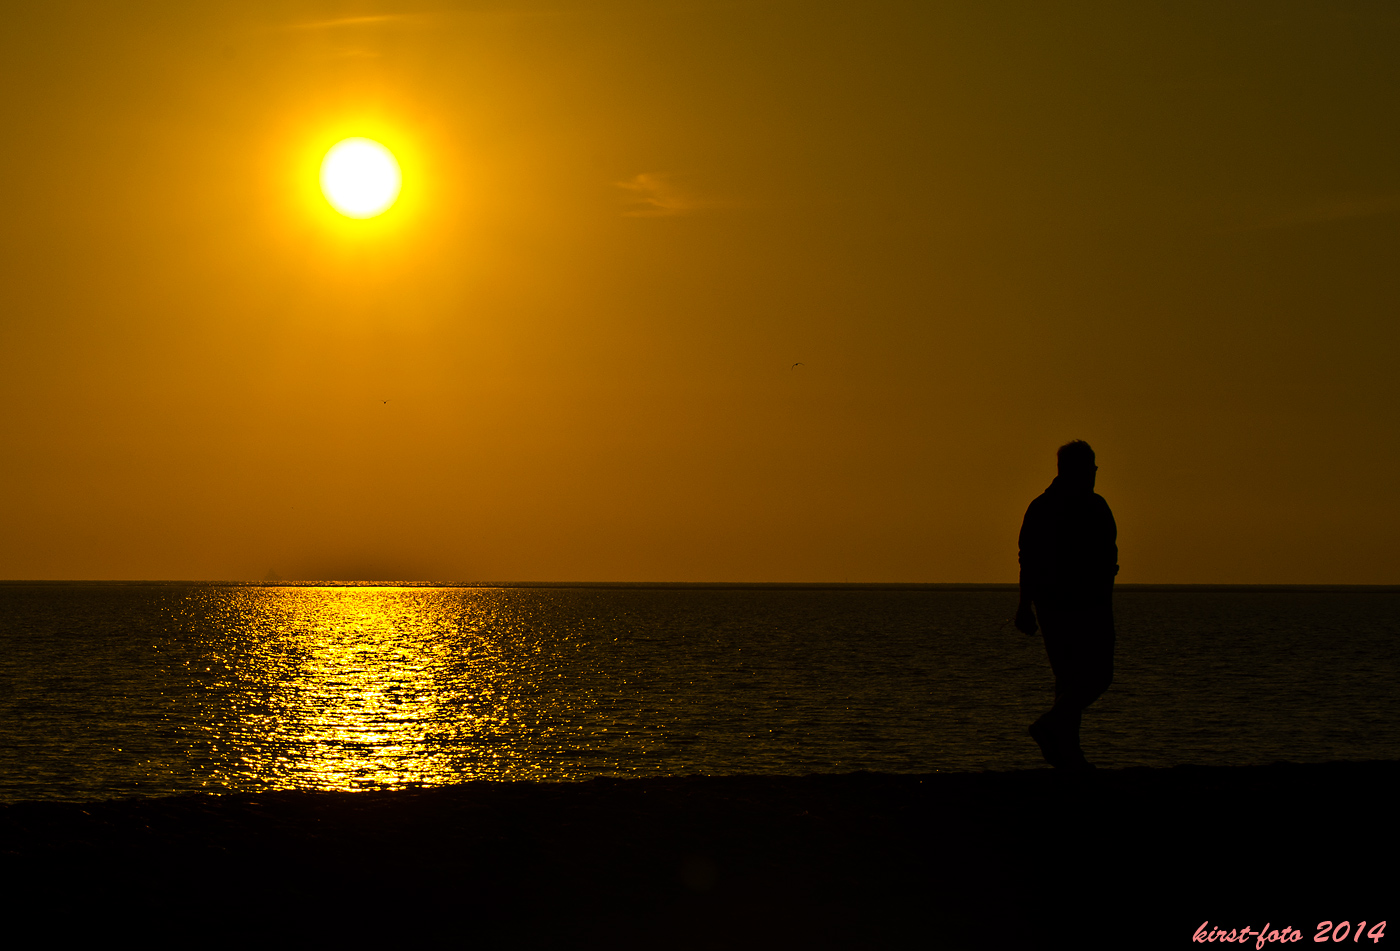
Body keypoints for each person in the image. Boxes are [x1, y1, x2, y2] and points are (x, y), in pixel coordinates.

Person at [1014, 440, 1118, 769]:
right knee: (1096, 676)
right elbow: (1028, 560)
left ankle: (1067, 749)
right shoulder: (1088, 507)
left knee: (1069, 679)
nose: (1094, 475)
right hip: (1081, 604)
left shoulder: (1044, 507)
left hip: (1060, 604)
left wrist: (1024, 605)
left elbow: (1027, 561)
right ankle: (1055, 731)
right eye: (1091, 469)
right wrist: (1023, 605)